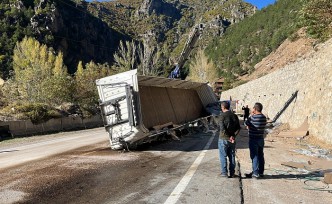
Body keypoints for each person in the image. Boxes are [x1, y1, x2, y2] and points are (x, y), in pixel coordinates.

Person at [217, 101, 241, 178]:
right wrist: (233, 136)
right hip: (232, 140)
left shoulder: (222, 116)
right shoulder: (234, 116)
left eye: (221, 106)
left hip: (223, 139)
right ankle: (232, 173)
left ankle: (224, 173)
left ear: (223, 107)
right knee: (232, 156)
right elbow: (238, 128)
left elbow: (222, 128)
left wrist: (228, 136)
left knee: (223, 156)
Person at [244, 102, 267, 179]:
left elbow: (246, 123)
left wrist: (251, 115)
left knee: (254, 156)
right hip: (261, 139)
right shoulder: (264, 117)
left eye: (253, 108)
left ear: (255, 109)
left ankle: (255, 173)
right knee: (261, 155)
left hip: (253, 139)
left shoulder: (252, 118)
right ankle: (261, 172)